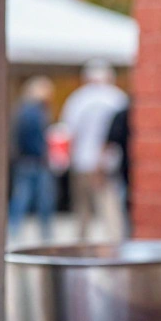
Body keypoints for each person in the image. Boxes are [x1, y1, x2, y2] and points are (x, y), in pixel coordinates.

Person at [60, 59, 127, 242]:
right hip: (109, 164)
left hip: (82, 162)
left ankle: (82, 250)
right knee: (109, 211)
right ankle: (115, 249)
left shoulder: (78, 99)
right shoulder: (117, 98)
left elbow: (68, 132)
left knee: (83, 212)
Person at [9, 76, 56, 241]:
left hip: (24, 160)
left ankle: (14, 231)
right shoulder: (35, 112)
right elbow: (35, 139)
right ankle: (45, 234)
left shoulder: (22, 109)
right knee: (42, 200)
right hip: (35, 161)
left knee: (21, 198)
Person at [105, 102, 131, 238]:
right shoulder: (124, 113)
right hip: (126, 171)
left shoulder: (123, 113)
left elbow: (110, 143)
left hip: (126, 171)